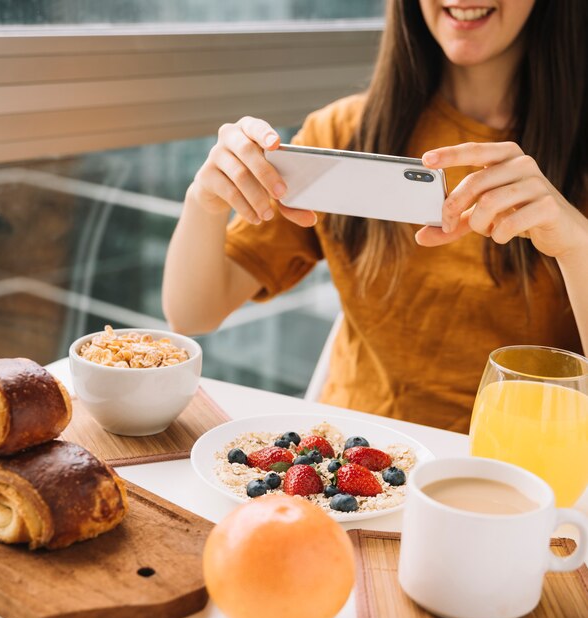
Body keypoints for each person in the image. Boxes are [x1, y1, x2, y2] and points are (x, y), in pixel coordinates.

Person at [163, 0, 588, 433]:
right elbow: (192, 314)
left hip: (516, 471)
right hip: (347, 460)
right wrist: (206, 200)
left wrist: (575, 243)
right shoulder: (345, 130)